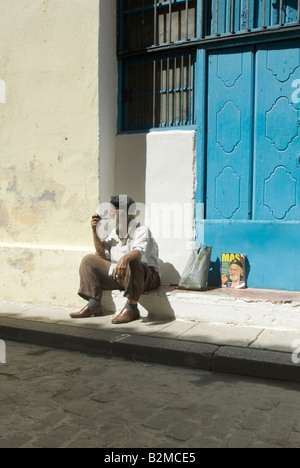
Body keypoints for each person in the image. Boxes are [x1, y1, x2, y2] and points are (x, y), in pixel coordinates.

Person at [70, 195, 161, 324]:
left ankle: (131, 308)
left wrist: (125, 258)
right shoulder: (114, 233)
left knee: (133, 260)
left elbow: (139, 252)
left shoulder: (141, 230)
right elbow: (101, 255)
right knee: (89, 260)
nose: (109, 214)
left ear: (124, 213)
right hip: (123, 277)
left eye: (112, 212)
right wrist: (94, 231)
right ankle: (94, 304)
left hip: (148, 277)